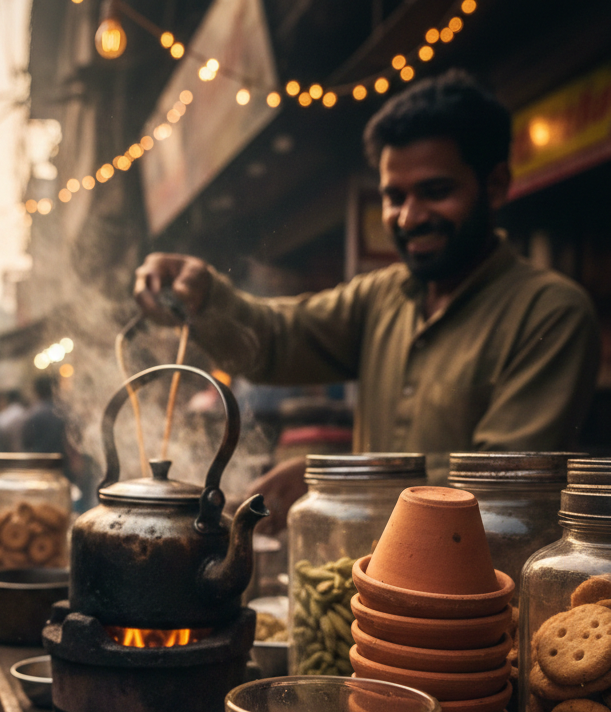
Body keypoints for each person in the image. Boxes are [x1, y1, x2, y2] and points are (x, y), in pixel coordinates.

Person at [134, 70, 601, 531]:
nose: (410, 216)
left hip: (489, 594)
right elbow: (277, 339)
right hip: (372, 578)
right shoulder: (379, 296)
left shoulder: (552, 313)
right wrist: (203, 296)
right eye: (394, 197)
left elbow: (503, 487)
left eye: (436, 192)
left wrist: (341, 483)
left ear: (495, 185)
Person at [22, 375, 67, 464]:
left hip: (40, 464)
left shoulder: (32, 414)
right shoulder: (64, 411)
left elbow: (26, 443)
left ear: (36, 391)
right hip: (62, 463)